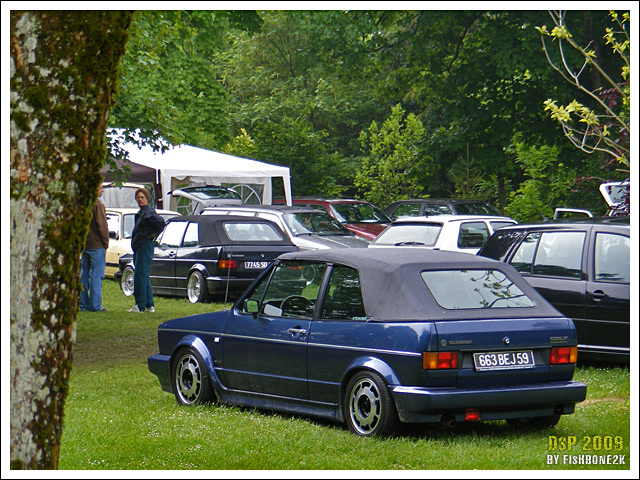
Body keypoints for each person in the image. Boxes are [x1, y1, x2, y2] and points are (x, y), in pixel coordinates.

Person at [128, 187, 165, 313]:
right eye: (138, 197)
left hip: (145, 245)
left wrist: (154, 234)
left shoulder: (148, 212)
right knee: (144, 275)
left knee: (140, 276)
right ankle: (150, 305)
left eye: (142, 197)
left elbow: (160, 222)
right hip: (140, 246)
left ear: (147, 198)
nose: (140, 199)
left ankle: (140, 305)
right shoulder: (142, 212)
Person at [80, 185, 110, 312]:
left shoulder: (82, 205)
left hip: (84, 244)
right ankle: (95, 305)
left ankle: (83, 304)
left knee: (83, 275)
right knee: (96, 276)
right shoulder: (98, 205)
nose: (102, 190)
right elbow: (102, 226)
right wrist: (105, 242)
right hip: (97, 245)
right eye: (100, 188)